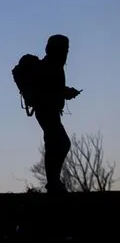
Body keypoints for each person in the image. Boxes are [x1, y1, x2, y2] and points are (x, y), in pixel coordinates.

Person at [33, 35, 81, 193]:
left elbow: (53, 89)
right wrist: (66, 92)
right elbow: (51, 90)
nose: (67, 53)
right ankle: (53, 182)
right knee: (59, 143)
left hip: (48, 111)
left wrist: (65, 92)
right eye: (65, 49)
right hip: (46, 111)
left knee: (55, 144)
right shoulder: (51, 66)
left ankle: (53, 181)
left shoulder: (53, 65)